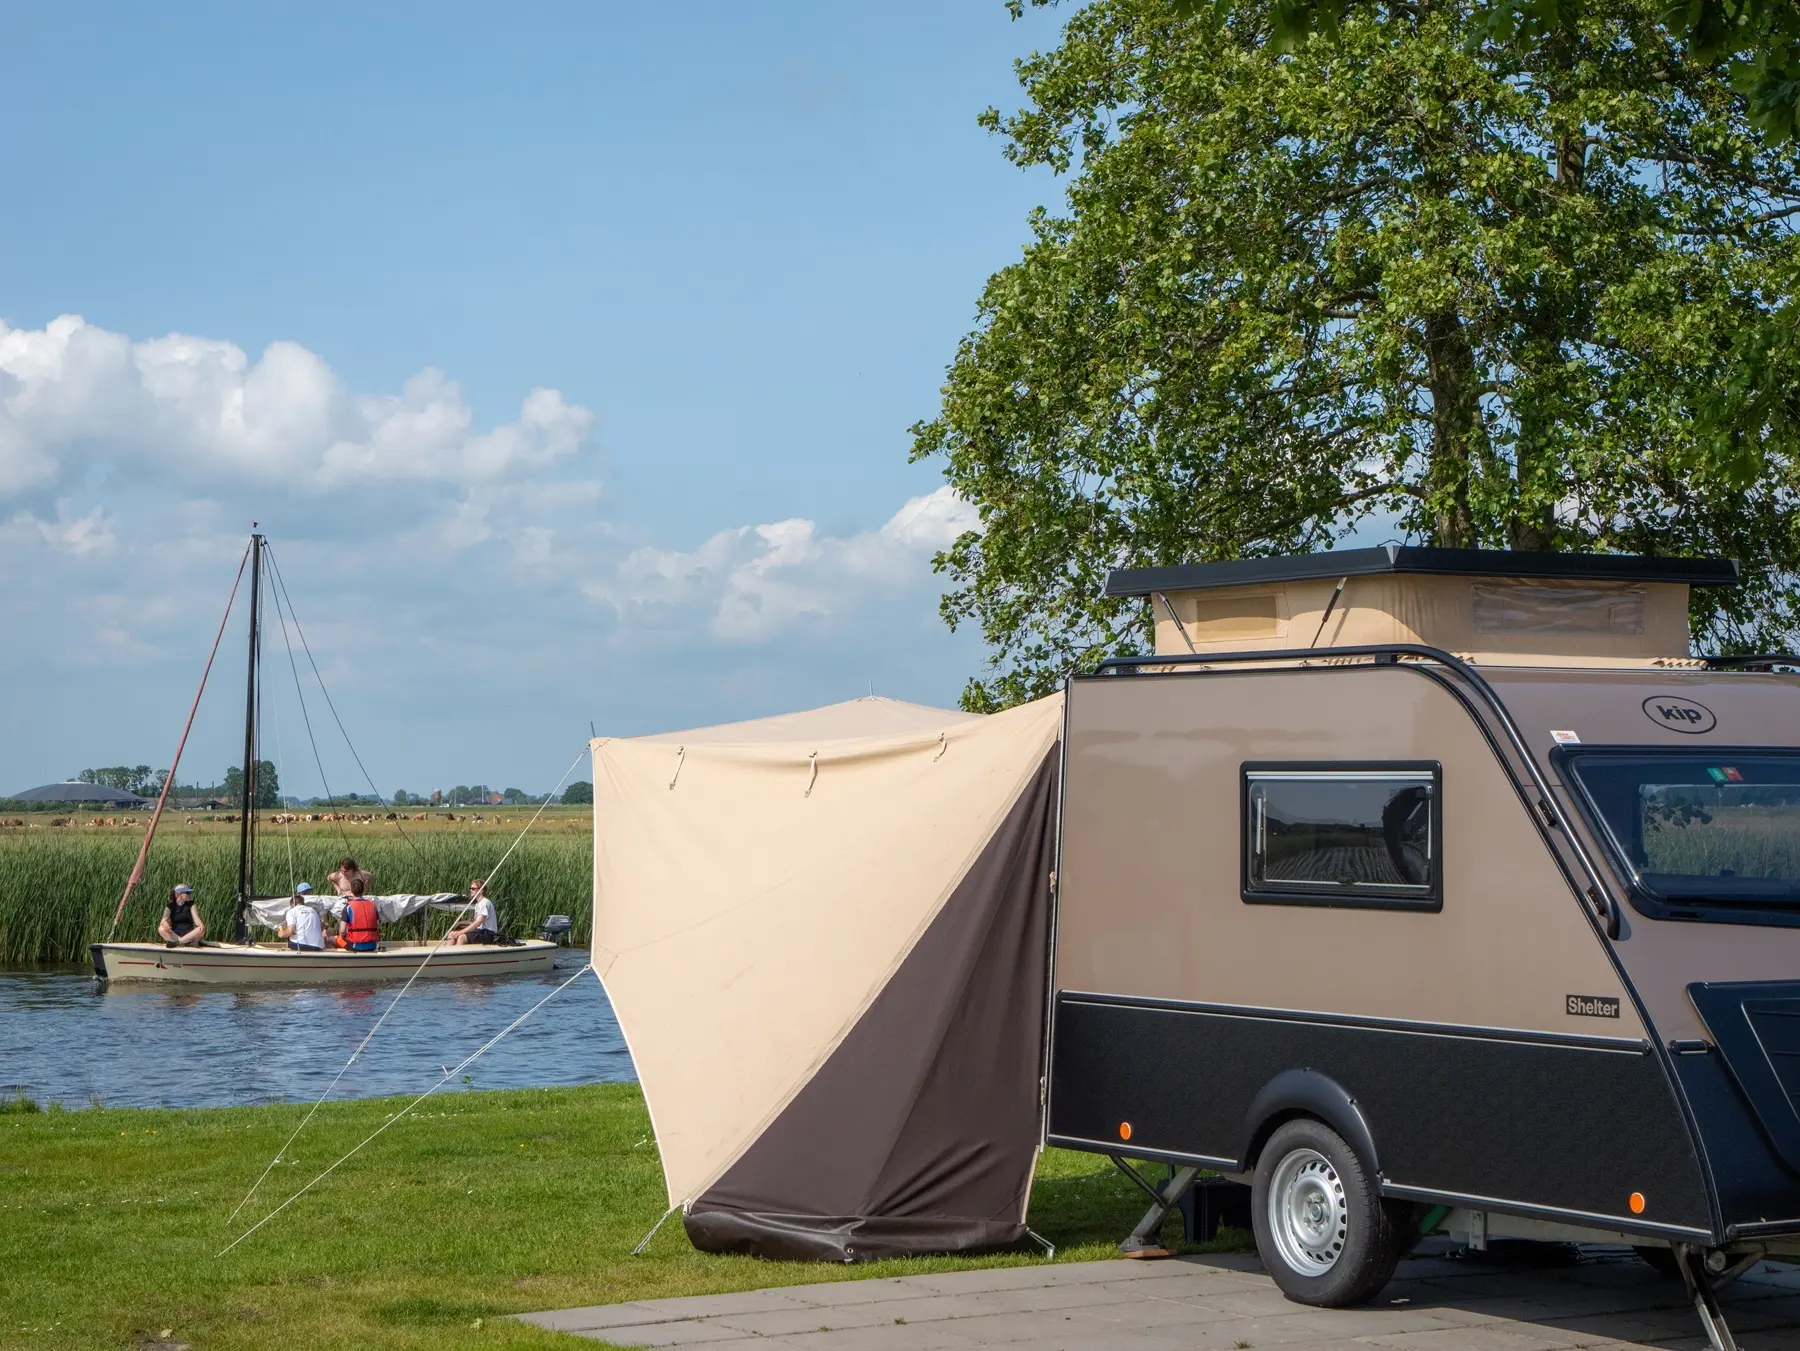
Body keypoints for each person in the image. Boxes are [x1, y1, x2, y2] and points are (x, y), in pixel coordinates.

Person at [446, 878, 499, 945]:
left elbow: (477, 923)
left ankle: (458, 955)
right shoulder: (478, 904)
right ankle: (448, 954)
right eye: (470, 888)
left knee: (461, 937)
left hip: (488, 934)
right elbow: (474, 922)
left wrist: (460, 932)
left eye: (473, 889)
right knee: (452, 934)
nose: (471, 890)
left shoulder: (485, 903)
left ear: (481, 890)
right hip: (480, 931)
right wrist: (460, 923)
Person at [334, 878, 381, 952]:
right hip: (372, 945)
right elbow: (377, 924)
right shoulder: (373, 906)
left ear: (351, 891)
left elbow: (342, 931)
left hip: (355, 946)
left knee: (335, 939)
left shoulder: (348, 907)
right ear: (363, 891)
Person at [278, 882, 325, 951]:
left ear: (292, 904)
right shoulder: (313, 911)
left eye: (309, 892)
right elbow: (321, 926)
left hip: (301, 946)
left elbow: (291, 930)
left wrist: (282, 934)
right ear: (303, 902)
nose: (308, 895)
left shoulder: (292, 911)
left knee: (289, 940)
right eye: (306, 893)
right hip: (318, 946)